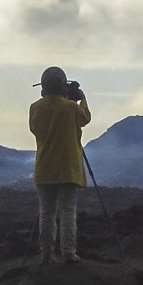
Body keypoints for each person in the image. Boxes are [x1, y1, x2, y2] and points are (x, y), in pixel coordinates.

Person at [29, 66, 91, 265]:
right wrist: (80, 99)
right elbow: (85, 118)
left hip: (45, 167)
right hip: (68, 168)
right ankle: (68, 254)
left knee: (46, 212)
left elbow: (34, 128)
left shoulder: (35, 108)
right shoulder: (71, 108)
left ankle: (46, 254)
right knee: (67, 211)